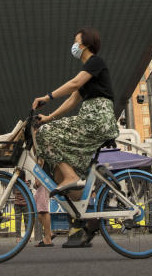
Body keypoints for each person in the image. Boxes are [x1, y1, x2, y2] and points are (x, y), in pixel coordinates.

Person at [32, 27, 119, 249]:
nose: (74, 45)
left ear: (85, 45)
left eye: (76, 41)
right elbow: (72, 99)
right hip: (91, 118)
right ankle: (88, 218)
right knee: (73, 180)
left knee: (46, 134)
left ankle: (71, 178)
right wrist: (48, 117)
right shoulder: (89, 75)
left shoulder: (95, 63)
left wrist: (47, 97)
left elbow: (72, 84)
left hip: (96, 118)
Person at [34, 179, 54, 247]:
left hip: (42, 185)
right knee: (40, 211)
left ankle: (48, 238)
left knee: (43, 211)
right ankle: (49, 234)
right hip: (42, 186)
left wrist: (37, 182)